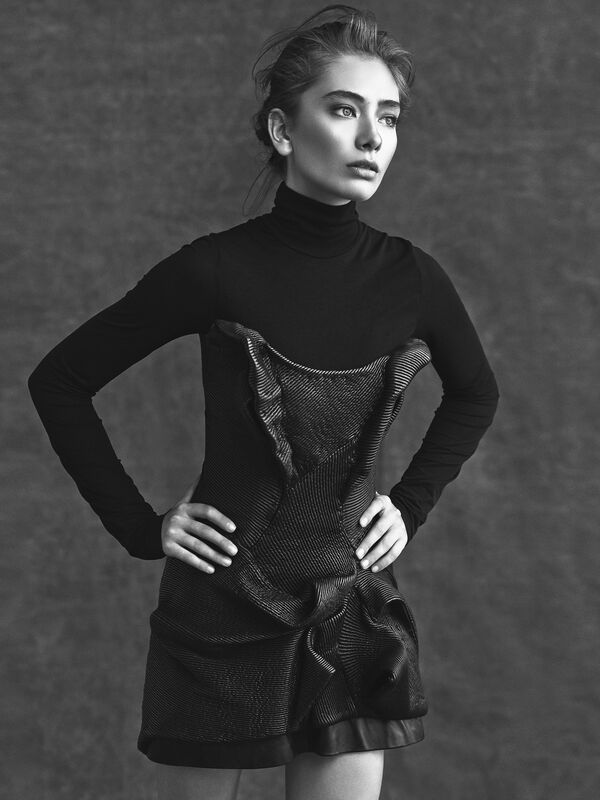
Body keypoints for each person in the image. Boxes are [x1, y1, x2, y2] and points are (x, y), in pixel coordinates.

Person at [27, 5, 500, 800]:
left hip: (350, 613)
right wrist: (142, 526)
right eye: (344, 110)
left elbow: (476, 393)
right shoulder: (214, 270)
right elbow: (60, 380)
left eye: (388, 117)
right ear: (284, 130)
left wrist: (411, 503)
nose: (372, 137)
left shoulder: (412, 279)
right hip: (222, 608)